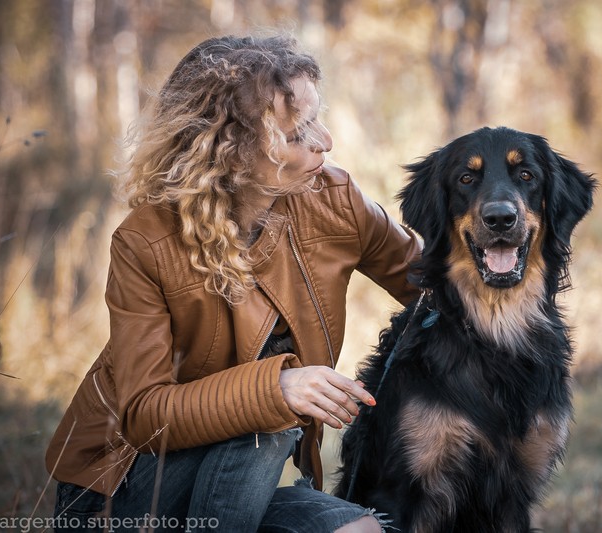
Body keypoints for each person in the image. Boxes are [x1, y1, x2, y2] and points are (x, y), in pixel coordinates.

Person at [45, 34, 421, 532]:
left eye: (317, 118)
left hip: (233, 490)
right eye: (296, 133)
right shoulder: (145, 243)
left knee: (360, 531)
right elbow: (143, 413)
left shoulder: (334, 199)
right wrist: (277, 388)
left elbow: (435, 283)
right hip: (118, 489)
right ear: (231, 151)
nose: (325, 141)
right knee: (270, 415)